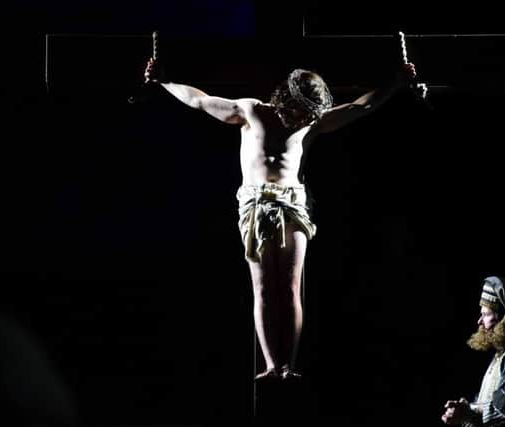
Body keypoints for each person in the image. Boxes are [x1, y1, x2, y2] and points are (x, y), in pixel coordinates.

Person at [144, 57, 426, 380]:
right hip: (256, 202)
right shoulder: (251, 111)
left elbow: (360, 107)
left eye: (308, 115)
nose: (302, 118)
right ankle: (270, 364)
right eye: (300, 111)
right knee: (263, 288)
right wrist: (165, 81)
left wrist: (395, 83)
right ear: (287, 100)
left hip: (293, 204)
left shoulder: (311, 122)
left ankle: (288, 364)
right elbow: (199, 100)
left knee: (290, 287)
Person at [441, 276, 505, 426]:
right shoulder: (501, 355)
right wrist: (465, 411)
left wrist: (467, 411)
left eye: (486, 314)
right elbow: (485, 407)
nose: (479, 321)